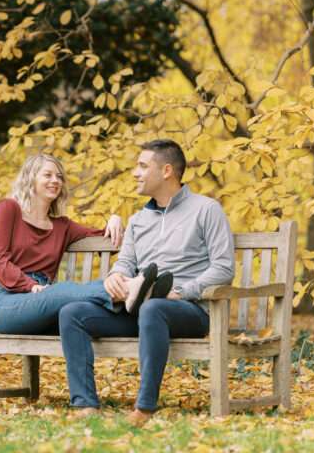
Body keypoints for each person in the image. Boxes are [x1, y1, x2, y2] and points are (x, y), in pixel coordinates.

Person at [58, 139, 235, 424]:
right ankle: (85, 404)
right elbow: (126, 262)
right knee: (72, 313)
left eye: (142, 166)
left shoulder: (206, 210)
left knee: (154, 308)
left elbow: (224, 268)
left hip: (189, 310)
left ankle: (144, 408)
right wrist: (117, 276)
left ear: (166, 170)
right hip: (140, 310)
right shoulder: (139, 220)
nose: (134, 173)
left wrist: (181, 291)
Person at [0, 153, 127, 335]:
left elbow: (105, 236)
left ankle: (138, 306)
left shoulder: (63, 226)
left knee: (74, 308)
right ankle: (128, 290)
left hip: (49, 305)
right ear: (30, 178)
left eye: (59, 176)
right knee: (60, 290)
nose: (55, 180)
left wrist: (115, 218)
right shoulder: (8, 208)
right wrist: (30, 285)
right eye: (48, 175)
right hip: (10, 302)